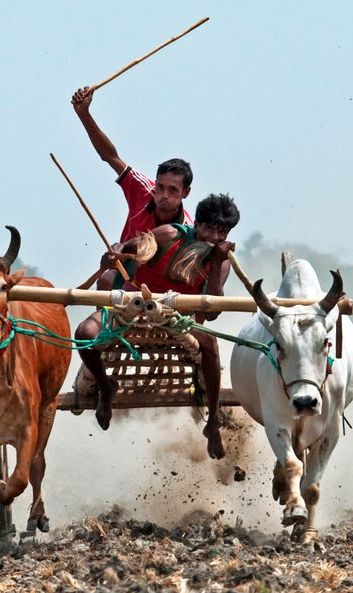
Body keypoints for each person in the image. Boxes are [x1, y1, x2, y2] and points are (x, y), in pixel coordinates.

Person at [75, 193, 240, 460]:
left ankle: (212, 423)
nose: (214, 237)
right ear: (196, 224)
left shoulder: (221, 261)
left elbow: (213, 315)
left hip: (179, 321)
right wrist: (113, 255)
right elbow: (125, 248)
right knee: (84, 335)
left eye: (222, 232)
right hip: (131, 308)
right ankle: (106, 387)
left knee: (210, 345)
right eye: (209, 228)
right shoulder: (168, 234)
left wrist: (218, 261)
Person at [71, 86, 195, 288]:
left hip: (161, 287)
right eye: (160, 187)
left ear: (186, 193)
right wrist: (84, 114)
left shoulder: (188, 229)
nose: (163, 195)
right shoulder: (143, 190)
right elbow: (110, 156)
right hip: (122, 275)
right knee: (105, 280)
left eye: (173, 190)